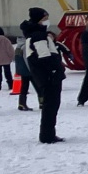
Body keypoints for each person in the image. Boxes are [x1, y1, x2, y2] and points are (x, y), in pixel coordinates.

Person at [22, 8, 66, 143]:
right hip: (48, 76)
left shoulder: (35, 34)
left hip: (45, 75)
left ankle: (48, 134)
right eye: (44, 18)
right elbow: (44, 56)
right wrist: (54, 70)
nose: (47, 21)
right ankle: (47, 135)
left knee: (50, 105)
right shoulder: (38, 36)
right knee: (51, 106)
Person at [13, 29, 35, 112]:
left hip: (21, 69)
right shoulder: (26, 45)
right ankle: (42, 102)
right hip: (28, 69)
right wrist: (32, 69)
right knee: (38, 86)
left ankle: (21, 103)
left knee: (24, 87)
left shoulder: (18, 46)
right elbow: (27, 58)